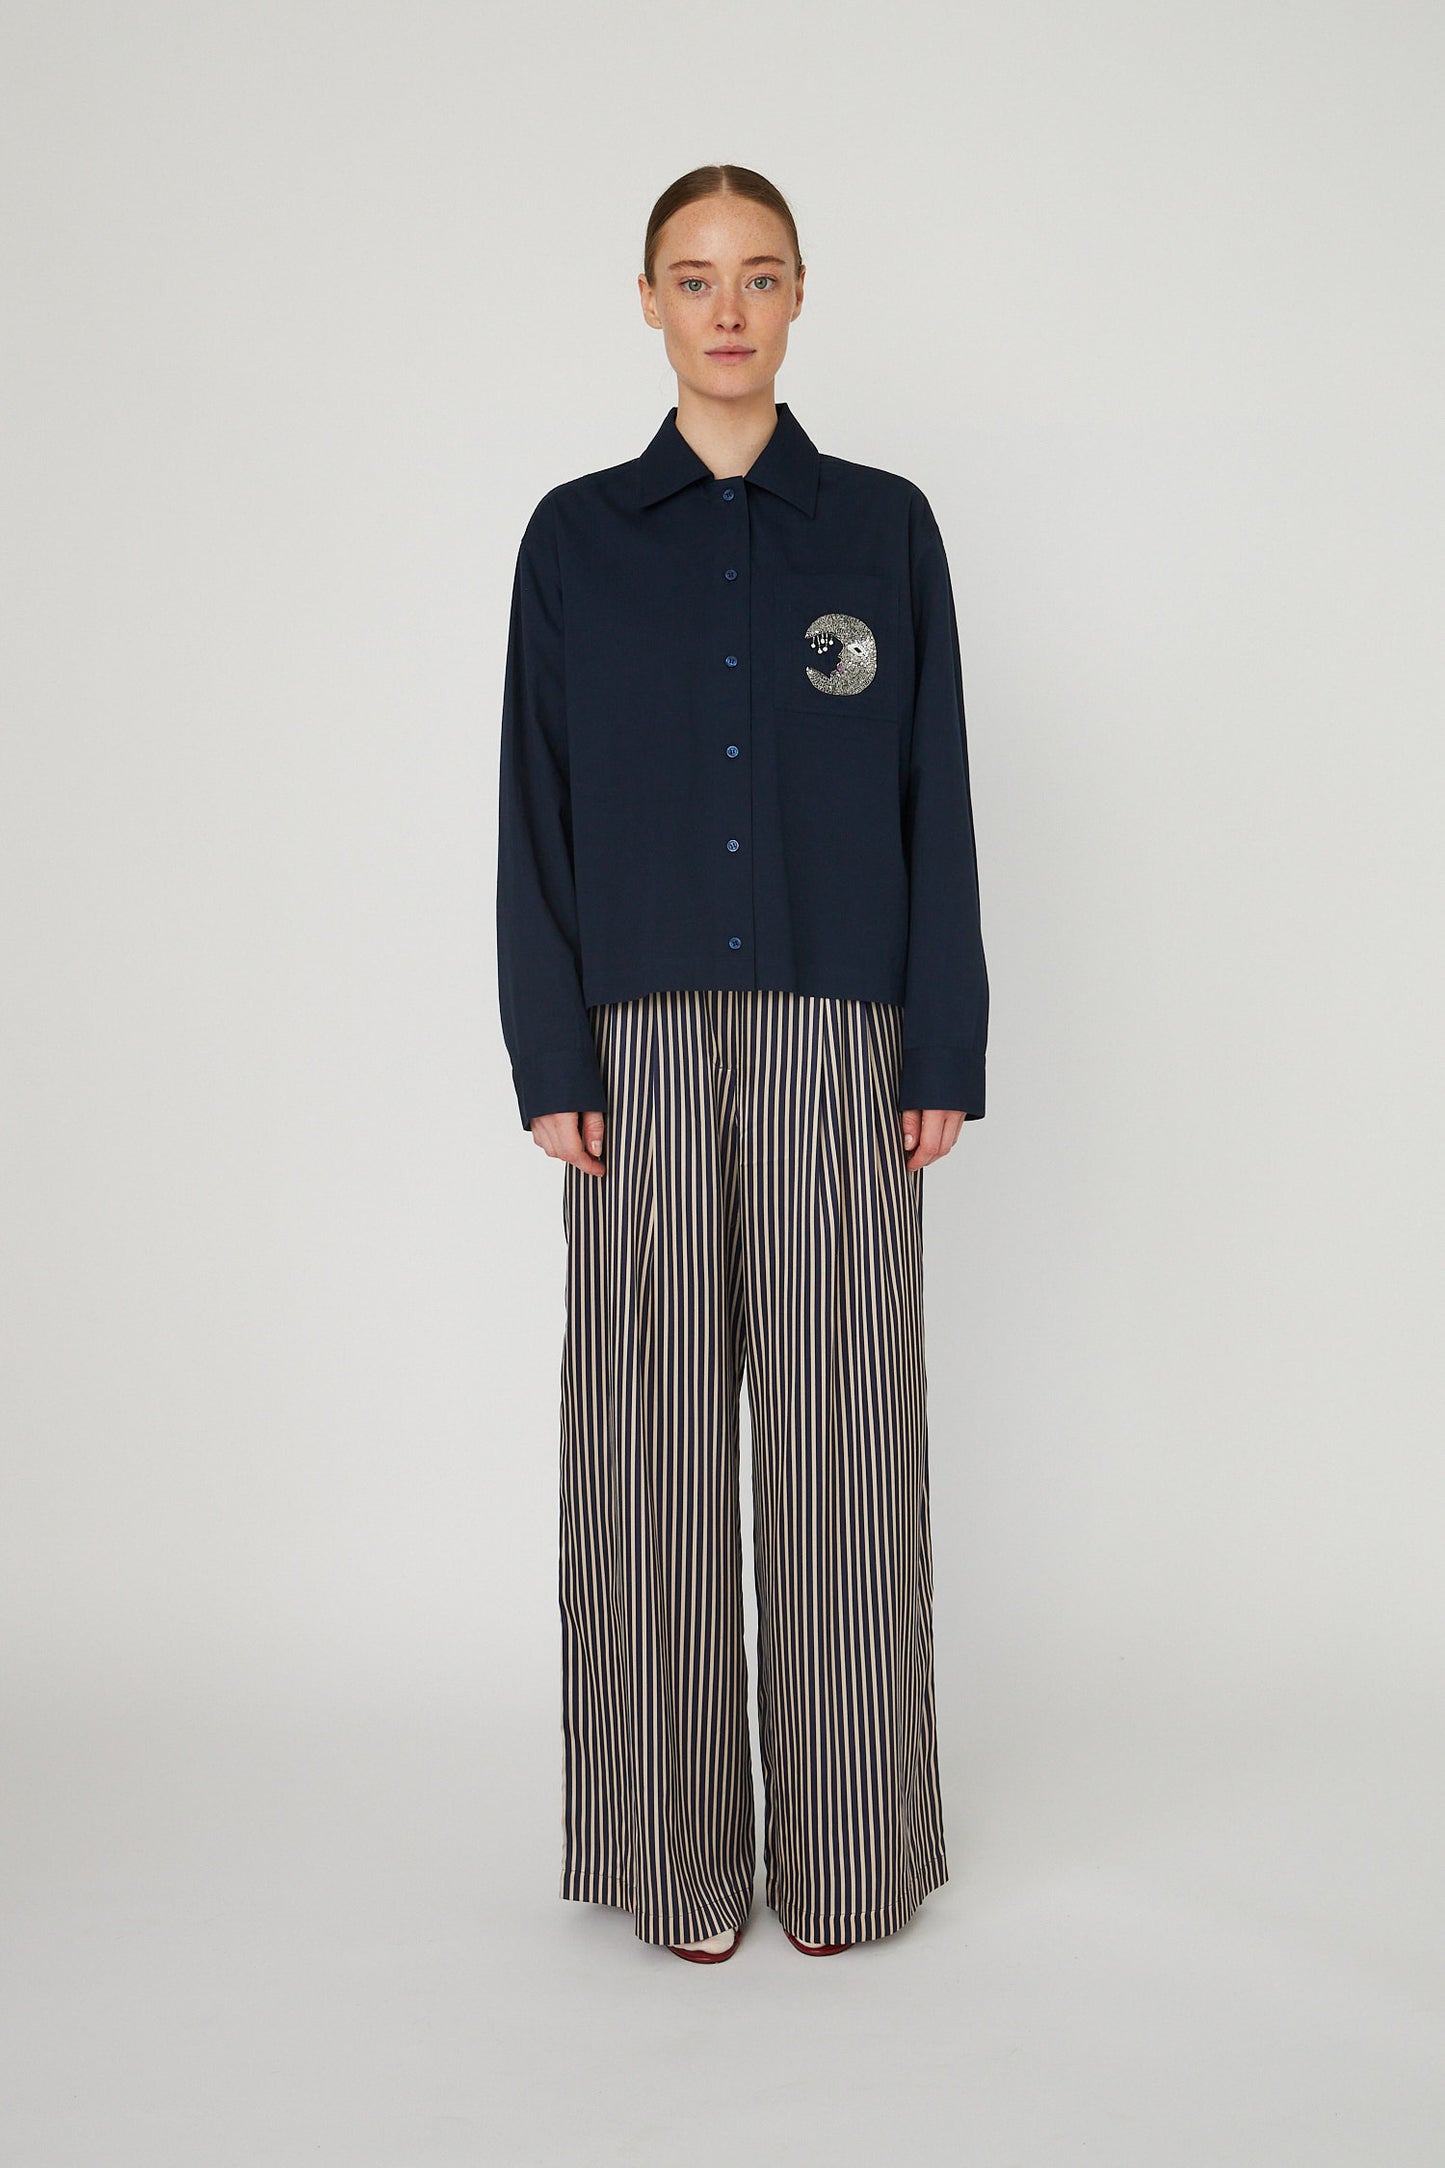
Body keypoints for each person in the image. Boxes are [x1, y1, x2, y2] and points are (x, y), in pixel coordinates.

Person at [496, 165, 988, 1964]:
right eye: (693, 278)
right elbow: (532, 808)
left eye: (758, 276)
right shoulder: (574, 538)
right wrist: (549, 1048)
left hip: (841, 1039)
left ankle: (850, 1857)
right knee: (648, 1455)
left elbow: (936, 792)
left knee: (846, 1445)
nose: (725, 309)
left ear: (796, 299)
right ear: (646, 300)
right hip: (627, 1049)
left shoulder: (882, 528)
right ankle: (676, 1859)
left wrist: (941, 1042)